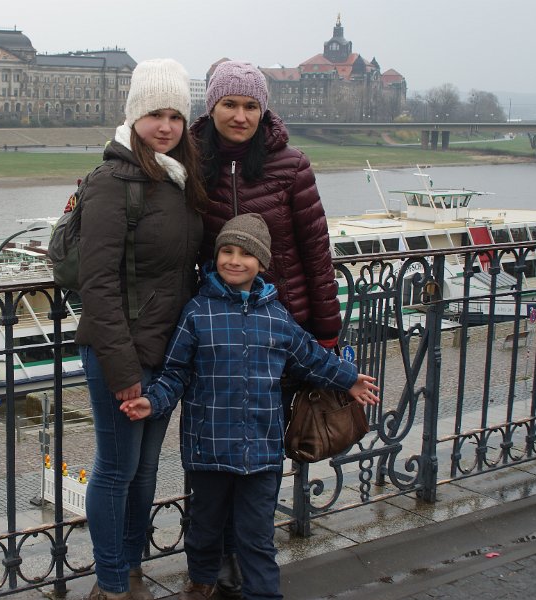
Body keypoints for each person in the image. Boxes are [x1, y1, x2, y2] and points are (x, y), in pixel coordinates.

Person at [120, 214, 379, 600]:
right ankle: (202, 581)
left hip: (262, 450)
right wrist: (152, 401)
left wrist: (348, 378)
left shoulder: (276, 317)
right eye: (227, 251)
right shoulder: (197, 313)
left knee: (257, 536)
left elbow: (311, 358)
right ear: (216, 257)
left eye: (245, 254)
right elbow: (175, 374)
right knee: (204, 527)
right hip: (208, 448)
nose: (234, 260)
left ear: (261, 262)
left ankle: (263, 594)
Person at [190, 60, 343, 596]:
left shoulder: (291, 166)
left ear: (263, 111)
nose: (240, 115)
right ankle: (217, 564)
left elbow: (316, 253)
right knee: (213, 454)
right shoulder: (192, 162)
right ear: (212, 107)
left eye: (251, 105)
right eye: (230, 104)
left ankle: (249, 561)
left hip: (282, 334)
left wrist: (326, 332)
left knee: (260, 456)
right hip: (215, 336)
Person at [75, 58, 208, 600]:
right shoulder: (112, 181)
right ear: (134, 116)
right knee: (116, 468)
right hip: (122, 353)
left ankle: (131, 571)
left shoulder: (178, 177)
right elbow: (97, 283)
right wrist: (124, 371)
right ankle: (110, 584)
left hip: (166, 351)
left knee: (146, 469)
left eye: (176, 116)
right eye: (155, 114)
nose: (166, 126)